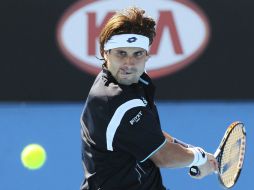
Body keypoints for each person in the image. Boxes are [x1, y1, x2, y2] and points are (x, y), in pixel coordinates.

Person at [80, 7, 218, 190]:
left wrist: (191, 152)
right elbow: (164, 156)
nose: (129, 63)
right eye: (121, 53)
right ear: (106, 54)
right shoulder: (117, 101)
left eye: (137, 54)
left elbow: (150, 133)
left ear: (147, 56)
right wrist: (198, 156)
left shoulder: (126, 82)